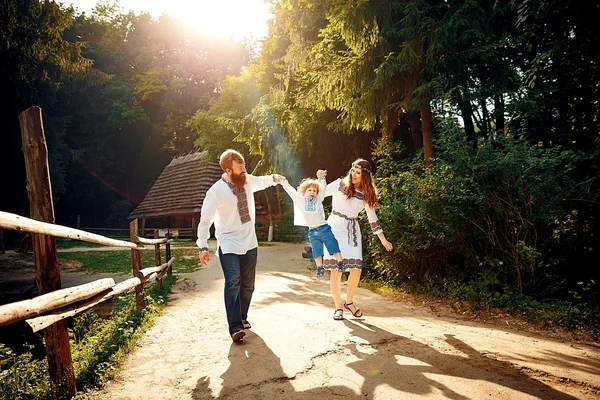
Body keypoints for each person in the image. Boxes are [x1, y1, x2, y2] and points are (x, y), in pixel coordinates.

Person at [196, 149, 283, 342]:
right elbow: (205, 220)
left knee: (248, 285)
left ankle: (242, 317)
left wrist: (274, 178)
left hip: (249, 240)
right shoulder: (216, 191)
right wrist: (202, 246)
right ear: (228, 170)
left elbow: (261, 181)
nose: (244, 170)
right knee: (233, 281)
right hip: (228, 242)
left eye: (244, 166)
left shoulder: (246, 180)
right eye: (240, 167)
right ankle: (234, 327)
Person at [322, 159, 393, 320]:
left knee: (356, 270)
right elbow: (320, 192)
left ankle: (349, 302)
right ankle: (338, 307)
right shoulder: (340, 184)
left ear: (365, 177)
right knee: (336, 270)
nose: (353, 174)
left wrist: (383, 239)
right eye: (353, 170)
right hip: (333, 228)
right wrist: (318, 180)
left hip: (351, 232)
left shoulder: (366, 195)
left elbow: (372, 218)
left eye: (358, 173)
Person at [280, 169, 345, 277]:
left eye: (314, 191)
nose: (312, 192)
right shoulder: (300, 200)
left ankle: (340, 262)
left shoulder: (318, 199)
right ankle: (319, 267)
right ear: (304, 192)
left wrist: (322, 178)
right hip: (312, 231)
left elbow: (323, 189)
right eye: (310, 190)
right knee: (316, 250)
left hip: (324, 228)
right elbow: (290, 191)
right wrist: (283, 181)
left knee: (332, 245)